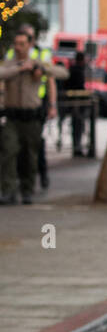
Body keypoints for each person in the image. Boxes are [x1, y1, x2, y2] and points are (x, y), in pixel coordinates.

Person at [0, 28, 68, 205]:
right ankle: (8, 191)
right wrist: (19, 68)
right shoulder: (9, 62)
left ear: (29, 45)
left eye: (22, 44)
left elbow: (62, 73)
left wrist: (39, 70)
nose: (18, 47)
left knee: (30, 156)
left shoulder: (38, 61)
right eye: (16, 44)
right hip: (12, 117)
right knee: (8, 152)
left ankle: (27, 190)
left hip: (32, 118)